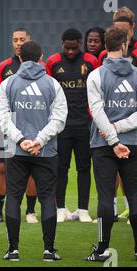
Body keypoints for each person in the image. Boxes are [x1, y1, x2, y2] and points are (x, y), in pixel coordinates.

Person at [85, 26, 137, 262]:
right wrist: (122, 130)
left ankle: (102, 250)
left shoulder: (95, 75)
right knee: (134, 194)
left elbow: (97, 112)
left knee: (105, 197)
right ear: (125, 45)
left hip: (103, 144)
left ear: (105, 46)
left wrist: (112, 136)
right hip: (131, 143)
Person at [0, 41, 67, 262]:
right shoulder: (53, 84)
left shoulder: (8, 83)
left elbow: (3, 118)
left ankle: (13, 250)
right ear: (41, 57)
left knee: (14, 198)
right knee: (47, 199)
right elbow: (59, 119)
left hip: (16, 152)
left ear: (20, 58)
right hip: (45, 152)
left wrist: (21, 140)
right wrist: (39, 140)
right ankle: (48, 250)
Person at [0, 27, 39, 225]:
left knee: (32, 169)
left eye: (22, 39)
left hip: (33, 123)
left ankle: (31, 212)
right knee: (3, 168)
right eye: (15, 39)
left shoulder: (40, 66)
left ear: (28, 41)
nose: (18, 43)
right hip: (9, 124)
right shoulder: (4, 67)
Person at [46, 28, 98, 223]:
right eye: (66, 48)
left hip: (85, 124)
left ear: (80, 44)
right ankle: (60, 208)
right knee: (61, 168)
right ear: (62, 45)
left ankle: (83, 209)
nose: (70, 52)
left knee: (84, 167)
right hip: (62, 126)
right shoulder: (53, 62)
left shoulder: (91, 62)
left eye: (74, 48)